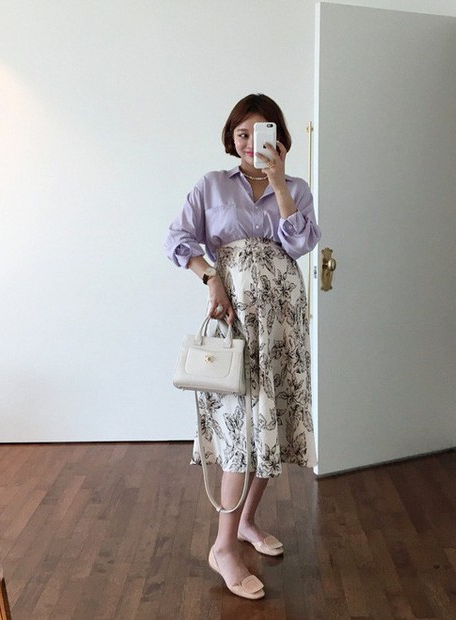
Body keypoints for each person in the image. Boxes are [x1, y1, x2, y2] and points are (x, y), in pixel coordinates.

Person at [164, 93, 321, 600]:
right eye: (242, 134)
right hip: (236, 321)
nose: (252, 143)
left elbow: (301, 244)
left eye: (262, 132)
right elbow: (177, 239)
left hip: (283, 324)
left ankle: (248, 521)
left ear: (281, 138)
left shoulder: (295, 188)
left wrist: (279, 185)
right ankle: (224, 547)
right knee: (240, 432)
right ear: (231, 139)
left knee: (271, 424)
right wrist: (210, 277)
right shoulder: (211, 185)